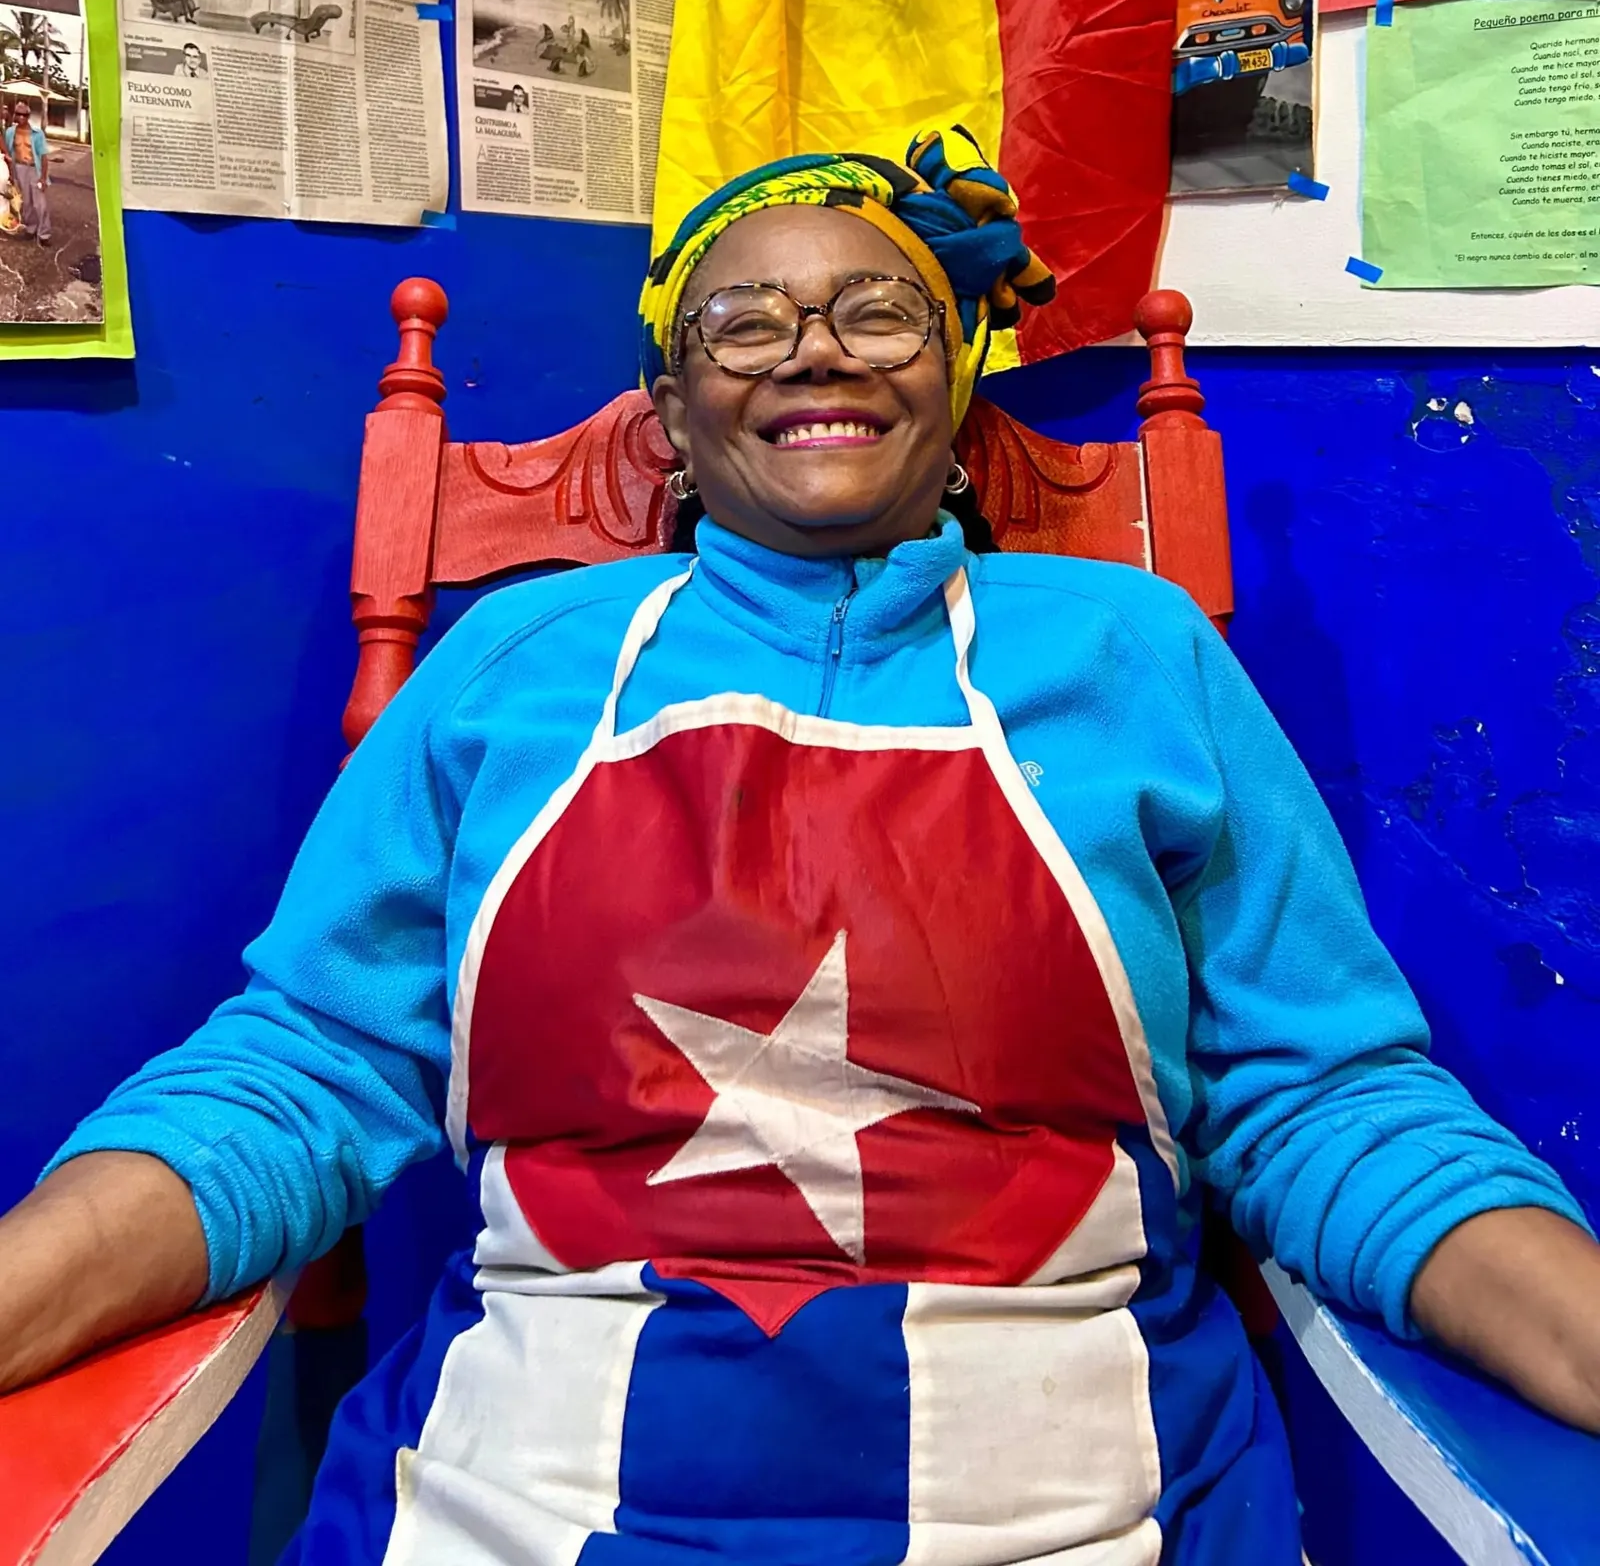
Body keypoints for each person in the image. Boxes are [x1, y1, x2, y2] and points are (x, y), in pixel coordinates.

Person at [3, 124, 1599, 1565]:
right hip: (517, 1498)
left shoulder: (1136, 653)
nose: (814, 351)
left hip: (1083, 1502)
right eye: (745, 323)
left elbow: (1322, 1097)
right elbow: (306, 1068)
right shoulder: (516, 663)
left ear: (955, 378)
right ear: (672, 408)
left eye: (878, 311)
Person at [5, 101, 49, 246]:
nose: (21, 117)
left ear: (28, 116)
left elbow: (43, 156)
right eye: (18, 114)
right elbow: (8, 153)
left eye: (24, 114)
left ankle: (44, 234)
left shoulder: (37, 134)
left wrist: (43, 178)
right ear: (14, 115)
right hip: (19, 169)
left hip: (34, 169)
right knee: (26, 203)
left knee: (40, 204)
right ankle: (31, 229)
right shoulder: (10, 132)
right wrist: (10, 174)